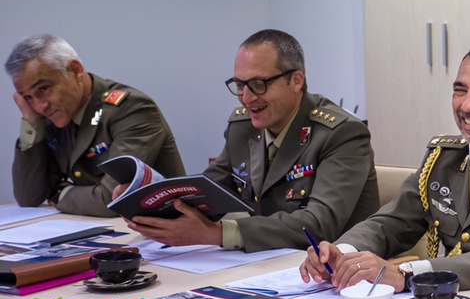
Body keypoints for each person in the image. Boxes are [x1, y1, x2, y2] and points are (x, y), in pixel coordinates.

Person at [300, 42, 470, 298]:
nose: (467, 105)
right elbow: (390, 224)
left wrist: (408, 274)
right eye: (460, 90)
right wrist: (342, 254)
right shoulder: (443, 158)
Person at [121, 29, 378, 251]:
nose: (246, 98)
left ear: (296, 81)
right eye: (239, 85)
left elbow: (319, 224)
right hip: (267, 263)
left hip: (335, 272)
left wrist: (217, 234)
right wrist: (147, 206)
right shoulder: (243, 128)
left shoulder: (341, 133)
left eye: (258, 84)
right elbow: (207, 194)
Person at [8, 34, 185, 217]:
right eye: (28, 97)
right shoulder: (52, 115)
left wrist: (59, 194)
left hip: (160, 226)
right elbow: (28, 197)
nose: (39, 106)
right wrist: (32, 122)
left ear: (75, 70)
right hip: (95, 225)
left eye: (43, 89)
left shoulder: (131, 108)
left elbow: (112, 201)